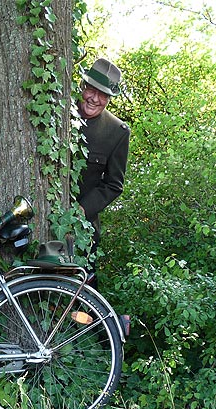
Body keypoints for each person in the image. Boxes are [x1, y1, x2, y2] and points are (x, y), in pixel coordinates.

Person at [76, 58, 130, 290]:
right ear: (82, 86)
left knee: (82, 295)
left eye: (103, 95)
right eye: (92, 90)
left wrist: (82, 209)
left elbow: (114, 184)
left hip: (82, 228)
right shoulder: (58, 112)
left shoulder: (117, 132)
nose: (95, 99)